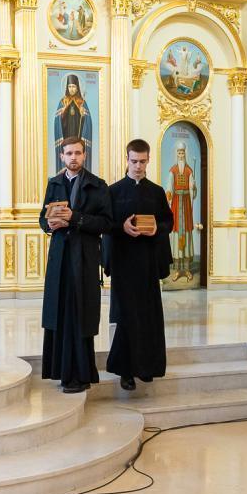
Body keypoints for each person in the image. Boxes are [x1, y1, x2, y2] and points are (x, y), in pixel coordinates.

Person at [40, 139, 112, 393]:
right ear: (62, 156)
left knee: (80, 313)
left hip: (84, 259)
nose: (73, 157)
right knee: (60, 312)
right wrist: (50, 225)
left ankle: (81, 375)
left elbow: (106, 223)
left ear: (84, 155)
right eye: (69, 153)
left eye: (78, 153)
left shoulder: (98, 185)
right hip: (59, 259)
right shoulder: (54, 183)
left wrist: (75, 218)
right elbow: (42, 219)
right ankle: (61, 372)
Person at [101, 140, 174, 390]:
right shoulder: (113, 191)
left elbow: (168, 222)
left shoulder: (156, 192)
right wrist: (121, 227)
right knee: (126, 317)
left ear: (148, 160)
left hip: (148, 262)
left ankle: (147, 367)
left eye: (143, 162)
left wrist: (156, 228)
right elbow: (106, 224)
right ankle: (126, 372)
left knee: (148, 315)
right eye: (134, 161)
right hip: (123, 262)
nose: (138, 166)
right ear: (127, 159)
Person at [166, 143, 197, 281]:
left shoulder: (189, 171)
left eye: (182, 153)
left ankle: (187, 269)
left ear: (185, 154)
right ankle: (178, 270)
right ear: (176, 154)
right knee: (177, 233)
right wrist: (169, 195)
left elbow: (192, 190)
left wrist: (193, 188)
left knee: (187, 234)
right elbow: (169, 187)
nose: (181, 155)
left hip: (186, 205)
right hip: (176, 204)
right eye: (179, 153)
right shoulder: (172, 170)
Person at [52, 74, 93, 170]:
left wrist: (83, 114)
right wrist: (62, 114)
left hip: (78, 135)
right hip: (66, 134)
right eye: (69, 86)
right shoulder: (63, 102)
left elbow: (88, 123)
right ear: (67, 88)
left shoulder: (82, 102)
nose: (71, 89)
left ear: (77, 87)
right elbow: (57, 122)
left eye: (73, 86)